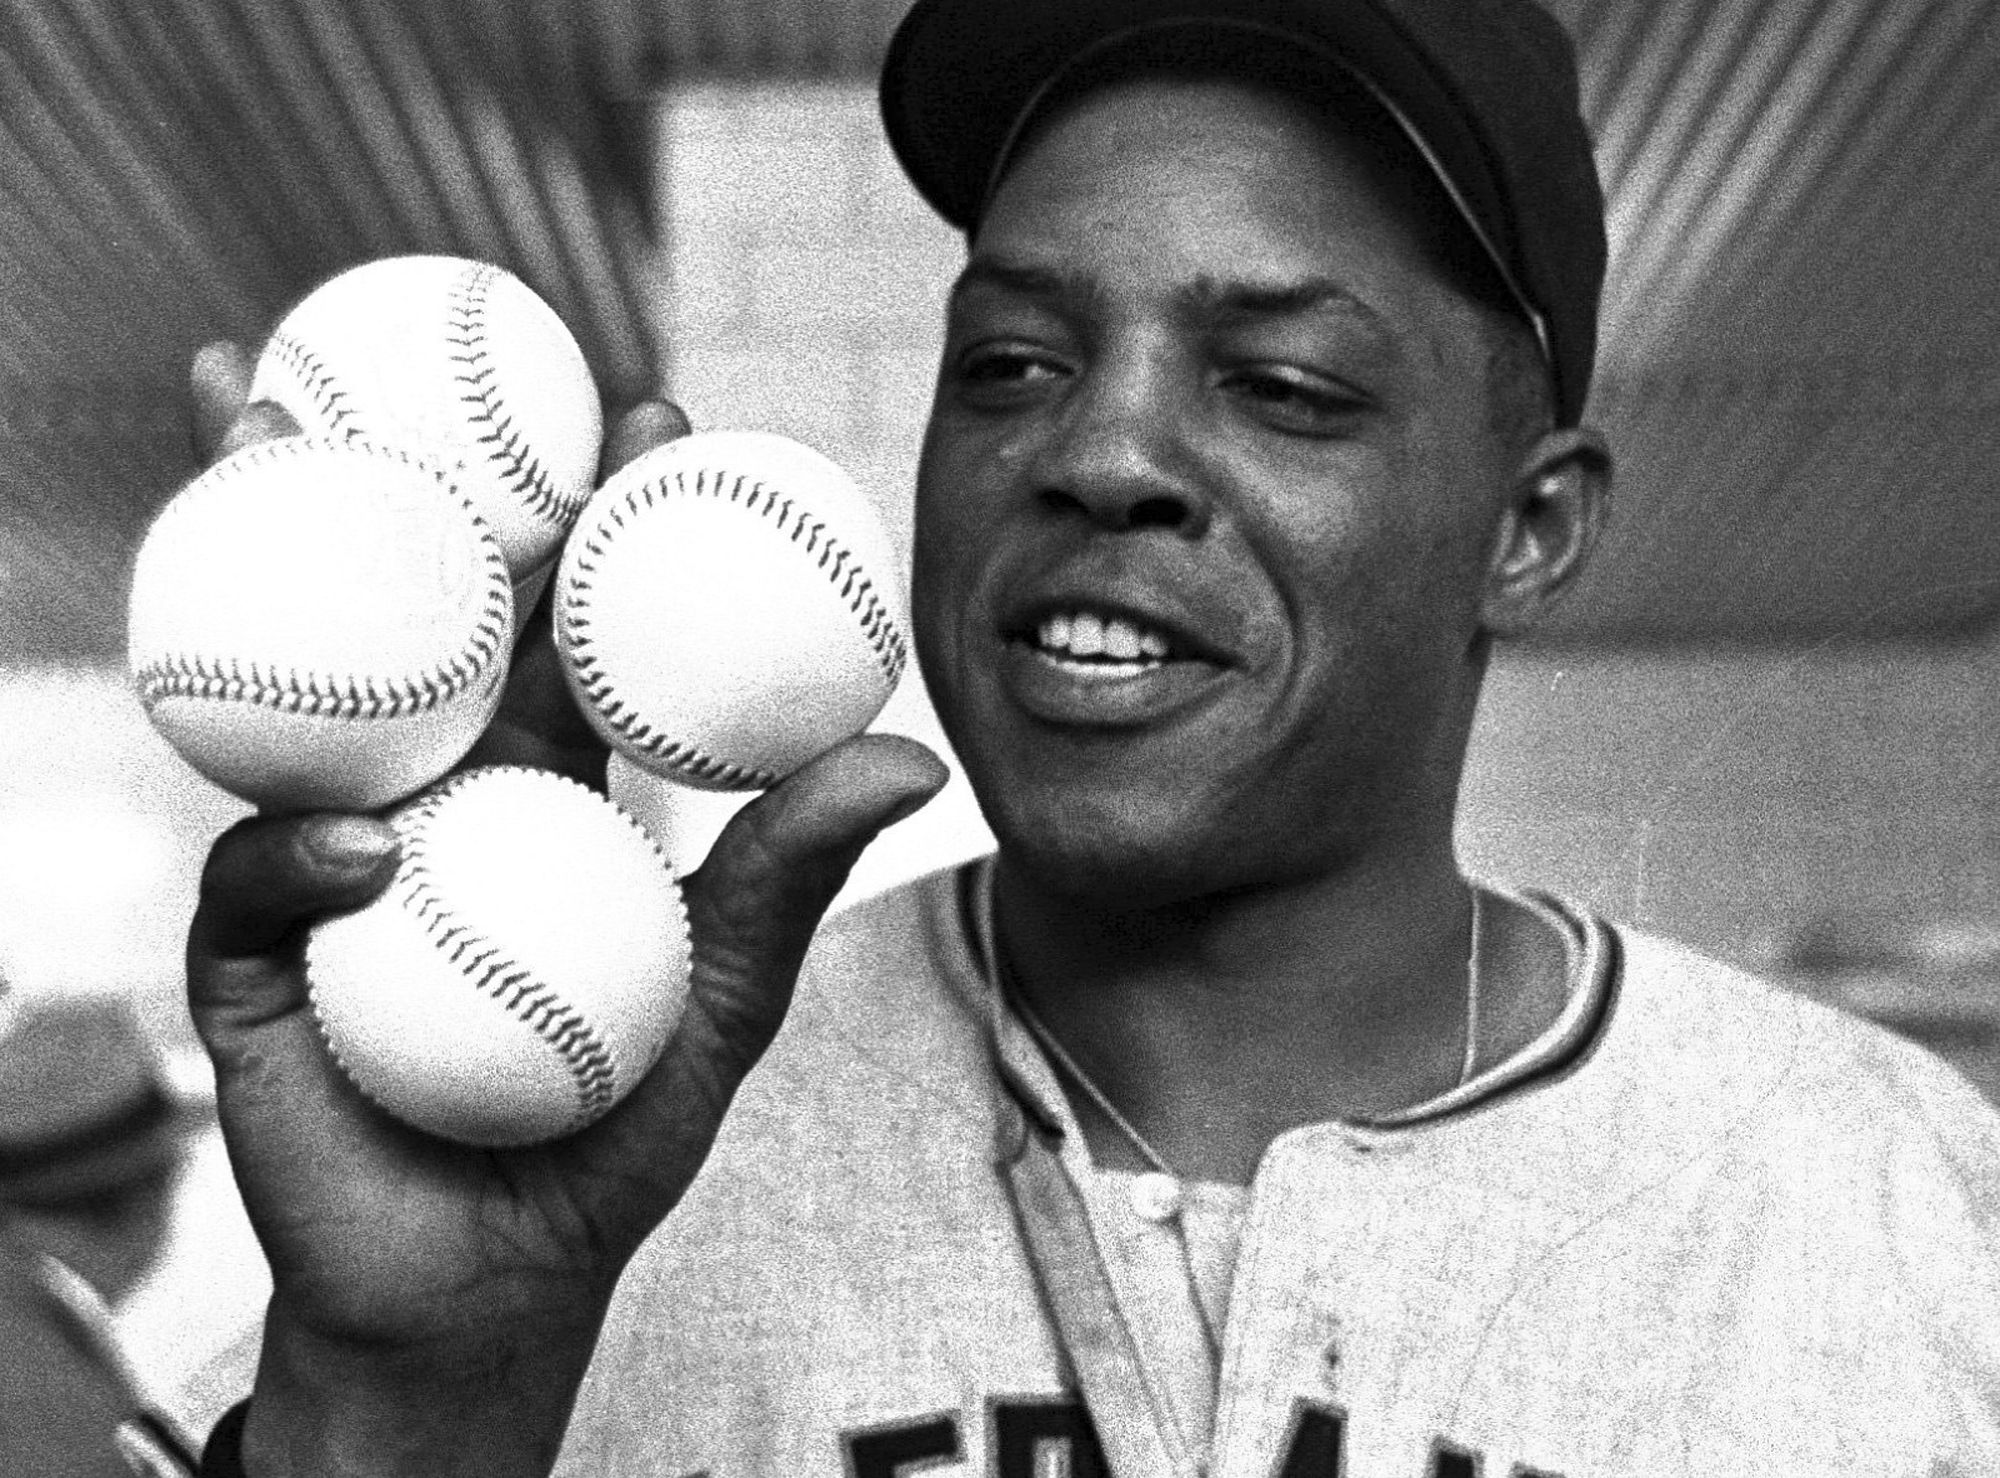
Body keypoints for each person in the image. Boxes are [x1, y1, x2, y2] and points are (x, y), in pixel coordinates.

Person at [175, 0, 2000, 1474]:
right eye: (1013, 363)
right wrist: (404, 1409)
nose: (1098, 455)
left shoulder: (1899, 1208)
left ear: (1530, 527)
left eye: (1281, 385)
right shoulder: (609, 1143)